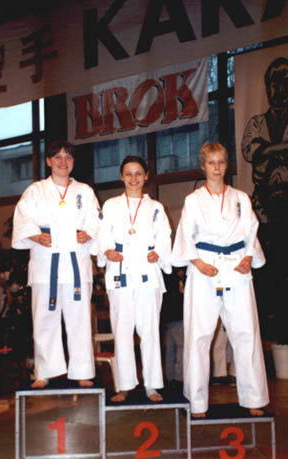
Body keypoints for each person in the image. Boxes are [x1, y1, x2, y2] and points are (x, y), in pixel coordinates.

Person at [171, 142, 269, 418]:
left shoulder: (241, 198)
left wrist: (249, 256)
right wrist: (197, 262)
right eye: (211, 162)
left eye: (221, 162)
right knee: (199, 336)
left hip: (236, 268)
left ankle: (253, 398)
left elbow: (251, 232)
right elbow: (185, 236)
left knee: (246, 333)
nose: (217, 168)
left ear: (227, 165)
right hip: (204, 269)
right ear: (203, 166)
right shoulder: (193, 200)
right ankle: (197, 402)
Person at [11, 139, 100, 389]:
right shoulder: (36, 190)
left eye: (68, 157)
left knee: (79, 318)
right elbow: (22, 218)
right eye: (57, 157)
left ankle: (82, 370)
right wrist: (35, 235)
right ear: (48, 161)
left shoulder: (84, 191)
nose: (63, 162)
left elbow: (96, 220)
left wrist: (89, 233)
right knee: (44, 318)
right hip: (45, 261)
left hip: (75, 262)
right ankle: (45, 370)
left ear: (73, 162)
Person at [97, 155, 172, 402]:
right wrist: (107, 250)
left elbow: (165, 236)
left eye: (138, 173)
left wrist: (158, 252)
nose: (133, 178)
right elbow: (102, 234)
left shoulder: (156, 208)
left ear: (146, 176)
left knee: (149, 331)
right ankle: (125, 385)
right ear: (121, 176)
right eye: (128, 173)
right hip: (120, 270)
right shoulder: (110, 205)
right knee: (122, 330)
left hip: (148, 273)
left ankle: (152, 385)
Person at [241, 57, 288, 209]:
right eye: (274, 84)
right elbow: (249, 153)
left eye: (285, 82)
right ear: (267, 87)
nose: (280, 90)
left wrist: (264, 150)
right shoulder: (256, 122)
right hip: (261, 198)